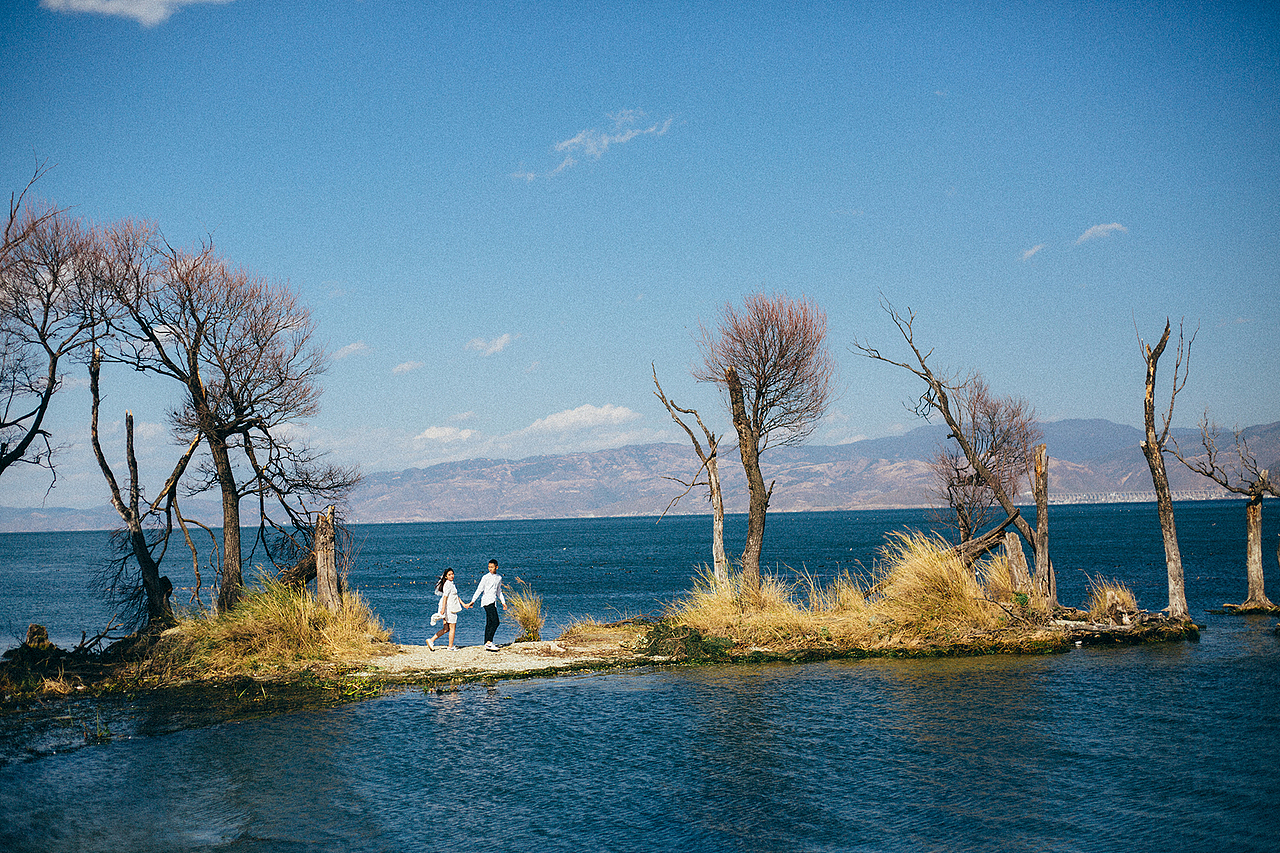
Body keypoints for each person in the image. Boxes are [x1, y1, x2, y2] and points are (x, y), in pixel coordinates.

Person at [468, 559, 506, 651]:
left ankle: (487, 642)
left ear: (496, 567)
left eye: (492, 567)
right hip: (486, 601)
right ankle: (489, 642)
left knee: (490, 622)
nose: (490, 569)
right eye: (489, 567)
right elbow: (479, 589)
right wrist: (473, 600)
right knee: (496, 621)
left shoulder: (499, 578)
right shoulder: (485, 577)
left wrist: (503, 602)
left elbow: (498, 591)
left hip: (493, 601)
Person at [428, 568, 469, 651]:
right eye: (449, 574)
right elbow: (445, 597)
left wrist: (463, 604)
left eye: (452, 574)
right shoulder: (448, 584)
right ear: (446, 576)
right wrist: (443, 609)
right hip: (449, 608)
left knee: (446, 629)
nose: (451, 576)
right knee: (452, 627)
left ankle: (431, 640)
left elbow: (455, 596)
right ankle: (450, 646)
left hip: (449, 607)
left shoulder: (451, 584)